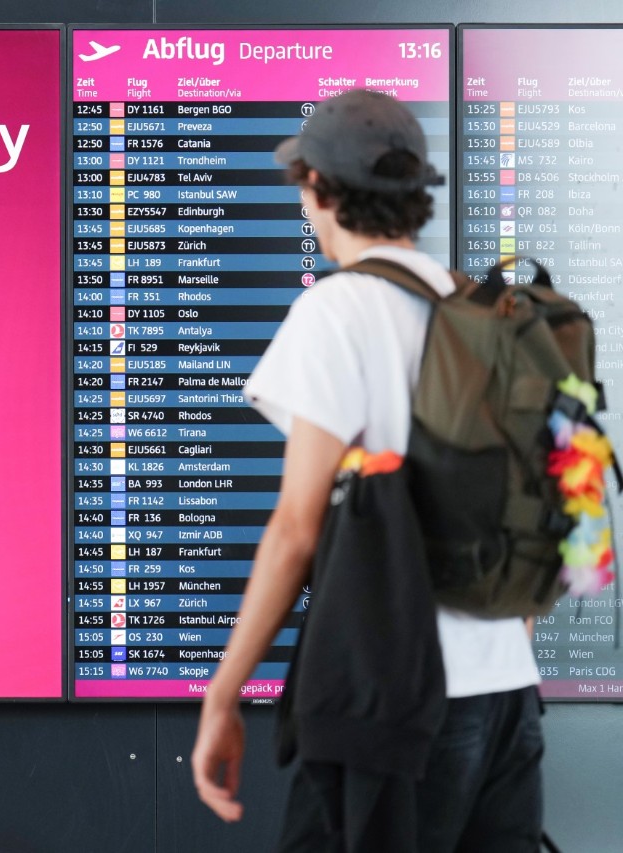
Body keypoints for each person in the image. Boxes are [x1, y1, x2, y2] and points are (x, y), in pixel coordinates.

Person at [191, 90, 544, 851]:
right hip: (507, 693)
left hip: (391, 695)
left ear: (319, 187)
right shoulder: (487, 309)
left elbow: (297, 528)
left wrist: (223, 694)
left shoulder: (338, 312)